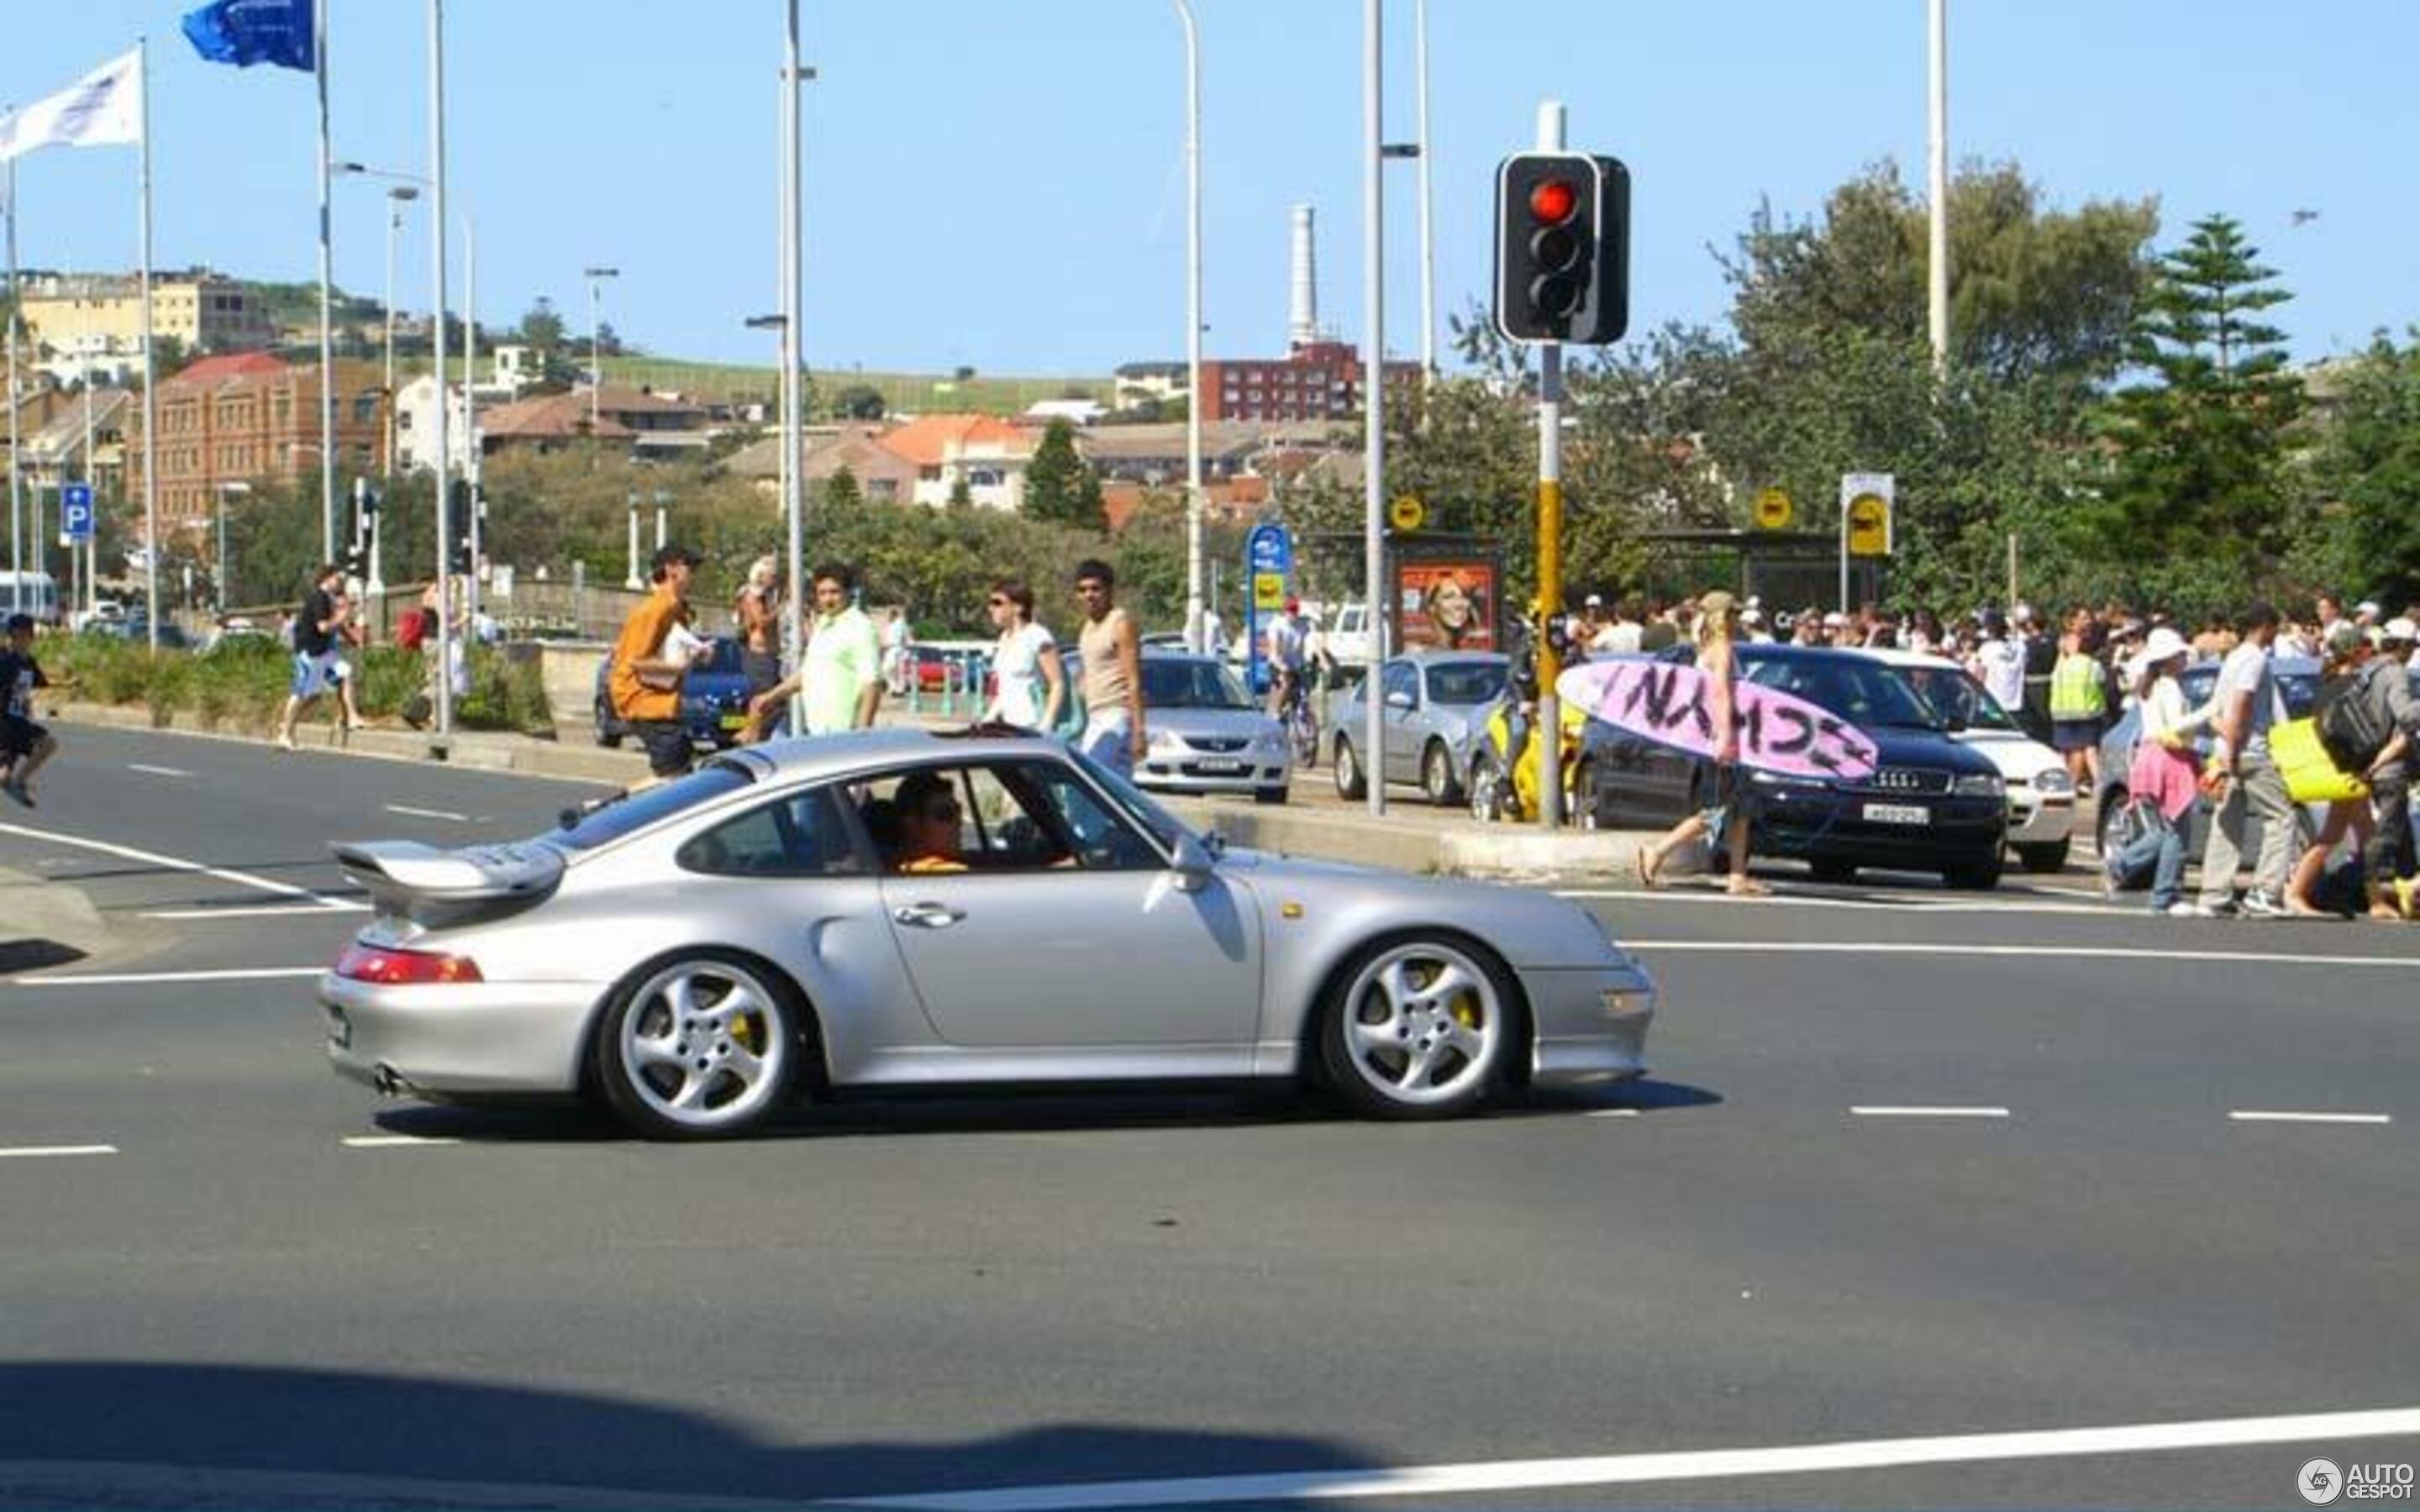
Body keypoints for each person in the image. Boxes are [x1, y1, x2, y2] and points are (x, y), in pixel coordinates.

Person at [1635, 591, 1763, 897]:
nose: (1737, 619)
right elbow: (1720, 693)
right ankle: (1656, 852)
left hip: (1724, 738)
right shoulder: (1721, 647)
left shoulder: (1708, 647)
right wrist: (1725, 736)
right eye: (1733, 614)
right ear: (1722, 617)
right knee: (1716, 811)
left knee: (1741, 809)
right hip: (1721, 739)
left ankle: (1737, 875)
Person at [2199, 603, 2302, 917]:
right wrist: (2235, 745)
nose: (2276, 634)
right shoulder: (2255, 659)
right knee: (2282, 817)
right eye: (2275, 627)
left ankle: (2214, 894)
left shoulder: (2233, 657)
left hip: (2228, 750)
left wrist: (2225, 747)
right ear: (2265, 626)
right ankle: (2266, 891)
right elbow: (2242, 702)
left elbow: (2216, 707)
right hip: (2249, 751)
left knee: (2227, 821)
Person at [2102, 627, 2214, 915]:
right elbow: (2177, 725)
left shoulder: (2149, 685)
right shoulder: (2168, 686)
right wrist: (2211, 709)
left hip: (2151, 756)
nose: (2183, 659)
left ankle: (2125, 865)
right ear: (2168, 659)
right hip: (2170, 757)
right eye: (2179, 655)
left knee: (2165, 829)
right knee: (2177, 830)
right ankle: (2164, 893)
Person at [2284, 623, 2384, 918]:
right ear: (2355, 653)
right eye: (2366, 649)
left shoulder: (2327, 686)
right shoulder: (2352, 686)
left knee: (2366, 834)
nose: (2370, 654)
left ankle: (2376, 899)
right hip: (2349, 769)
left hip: (2343, 767)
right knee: (2333, 834)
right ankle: (2295, 892)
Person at [610, 544, 712, 784]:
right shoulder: (655, 609)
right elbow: (637, 660)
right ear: (671, 570)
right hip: (643, 700)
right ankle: (616, 810)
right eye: (690, 567)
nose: (694, 574)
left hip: (661, 702)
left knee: (682, 771)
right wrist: (679, 667)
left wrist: (696, 653)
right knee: (674, 777)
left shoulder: (675, 609)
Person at [749, 562, 883, 738]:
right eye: (822, 593)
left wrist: (862, 732)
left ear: (848, 592)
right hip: (813, 729)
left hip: (842, 733)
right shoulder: (822, 624)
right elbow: (807, 673)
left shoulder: (861, 627)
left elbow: (872, 683)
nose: (828, 599)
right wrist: (772, 697)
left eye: (834, 592)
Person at [2359, 617, 2417, 921]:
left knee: (2404, 839)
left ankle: (2410, 893)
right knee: (2389, 834)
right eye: (2413, 646)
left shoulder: (2370, 670)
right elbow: (2406, 715)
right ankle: (2362, 882)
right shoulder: (2395, 672)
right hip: (2390, 766)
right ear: (2404, 645)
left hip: (2370, 760)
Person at [1073, 558, 1145, 777]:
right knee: (1111, 791)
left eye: (1096, 589)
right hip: (1094, 715)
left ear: (1109, 590)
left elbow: (1133, 680)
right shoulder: (1088, 626)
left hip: (1116, 714)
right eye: (1083, 590)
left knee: (1093, 784)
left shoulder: (1120, 623)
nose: (1089, 595)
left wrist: (1138, 731)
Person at [276, 564, 354, 752]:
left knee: (344, 673)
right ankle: (286, 731)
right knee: (302, 693)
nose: (340, 582)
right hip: (309, 653)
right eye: (337, 578)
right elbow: (323, 627)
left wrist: (349, 632)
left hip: (324, 652)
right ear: (326, 578)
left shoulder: (328, 598)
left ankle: (352, 716)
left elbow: (333, 625)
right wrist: (342, 617)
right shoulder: (318, 598)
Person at [1, 613, 69, 808]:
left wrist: (67, 683)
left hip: (17, 720)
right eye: (13, 636)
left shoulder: (29, 662)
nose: (17, 641)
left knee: (3, 774)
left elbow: (43, 681)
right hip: (6, 722)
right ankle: (20, 782)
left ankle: (12, 782)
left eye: (22, 636)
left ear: (31, 637)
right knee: (49, 744)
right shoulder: (4, 659)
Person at [983, 578, 1065, 731]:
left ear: (1018, 607)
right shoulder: (1004, 638)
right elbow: (1007, 688)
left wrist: (1046, 724)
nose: (991, 608)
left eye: (997, 603)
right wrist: (988, 719)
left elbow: (1057, 683)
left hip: (1032, 725)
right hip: (1008, 725)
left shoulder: (1037, 635)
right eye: (990, 603)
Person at [2049, 624, 2107, 793]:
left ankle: (2062, 782)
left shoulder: (2061, 665)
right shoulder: (2092, 665)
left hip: (2061, 713)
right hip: (2087, 713)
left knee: (2063, 750)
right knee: (2089, 749)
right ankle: (2098, 782)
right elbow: (2102, 682)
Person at [889, 769, 967, 874]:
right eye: (945, 814)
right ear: (913, 825)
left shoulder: (891, 869)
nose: (958, 821)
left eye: (958, 810)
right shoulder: (947, 873)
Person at [734, 555, 783, 706]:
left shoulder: (768, 596)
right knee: (766, 701)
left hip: (771, 655)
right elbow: (762, 622)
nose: (775, 579)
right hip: (759, 656)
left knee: (777, 701)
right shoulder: (753, 596)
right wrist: (780, 610)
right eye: (772, 576)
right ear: (761, 575)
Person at [1266, 596, 1310, 720]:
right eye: (1290, 610)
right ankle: (1277, 713)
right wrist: (1281, 665)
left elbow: (1312, 642)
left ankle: (1301, 713)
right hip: (1278, 663)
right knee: (1287, 682)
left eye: (1295, 610)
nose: (1293, 613)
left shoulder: (1303, 625)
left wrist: (1323, 661)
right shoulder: (1277, 625)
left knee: (1306, 686)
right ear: (1284, 611)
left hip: (1297, 664)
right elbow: (1275, 649)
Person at [879, 606, 913, 698]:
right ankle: (894, 687)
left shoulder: (900, 623)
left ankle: (899, 690)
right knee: (886, 669)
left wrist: (910, 644)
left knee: (899, 671)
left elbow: (906, 634)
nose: (887, 617)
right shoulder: (890, 625)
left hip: (897, 648)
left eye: (888, 614)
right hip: (890, 648)